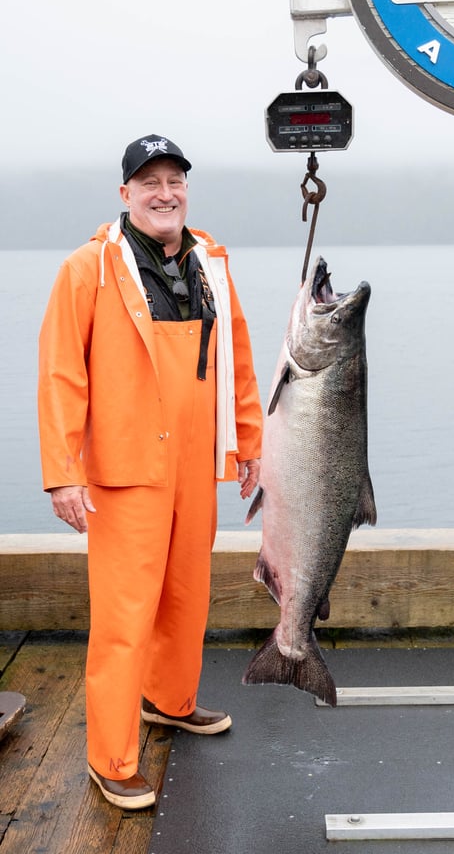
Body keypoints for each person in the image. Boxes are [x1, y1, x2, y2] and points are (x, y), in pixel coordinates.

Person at [38, 134, 263, 810]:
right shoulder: (89, 268)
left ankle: (170, 700)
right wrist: (62, 472)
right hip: (125, 468)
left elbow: (240, 358)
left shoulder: (211, 261)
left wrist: (249, 441)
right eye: (150, 182)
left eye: (175, 181)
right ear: (125, 194)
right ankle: (112, 758)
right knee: (124, 614)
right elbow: (59, 375)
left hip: (196, 458)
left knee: (187, 594)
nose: (165, 193)